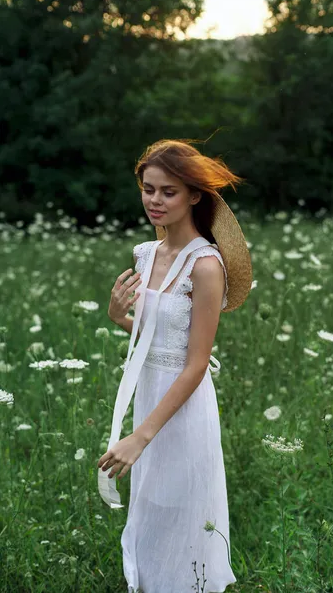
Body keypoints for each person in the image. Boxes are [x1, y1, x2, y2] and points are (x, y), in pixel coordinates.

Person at [97, 139, 253, 593]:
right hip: (149, 389)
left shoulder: (206, 266)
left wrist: (140, 435)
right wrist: (119, 318)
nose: (155, 201)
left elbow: (195, 364)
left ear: (194, 195)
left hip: (182, 405)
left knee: (182, 507)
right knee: (151, 505)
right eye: (148, 189)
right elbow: (157, 338)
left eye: (168, 191)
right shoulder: (146, 254)